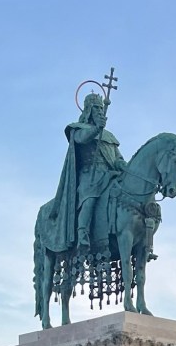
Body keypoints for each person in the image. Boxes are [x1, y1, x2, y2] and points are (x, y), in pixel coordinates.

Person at [44, 92, 127, 253]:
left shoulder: (109, 136)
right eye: (96, 108)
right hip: (90, 176)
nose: (100, 112)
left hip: (110, 175)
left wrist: (124, 166)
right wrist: (97, 129)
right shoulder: (78, 129)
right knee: (90, 199)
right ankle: (83, 234)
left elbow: (117, 158)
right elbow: (82, 139)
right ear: (88, 109)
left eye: (101, 108)